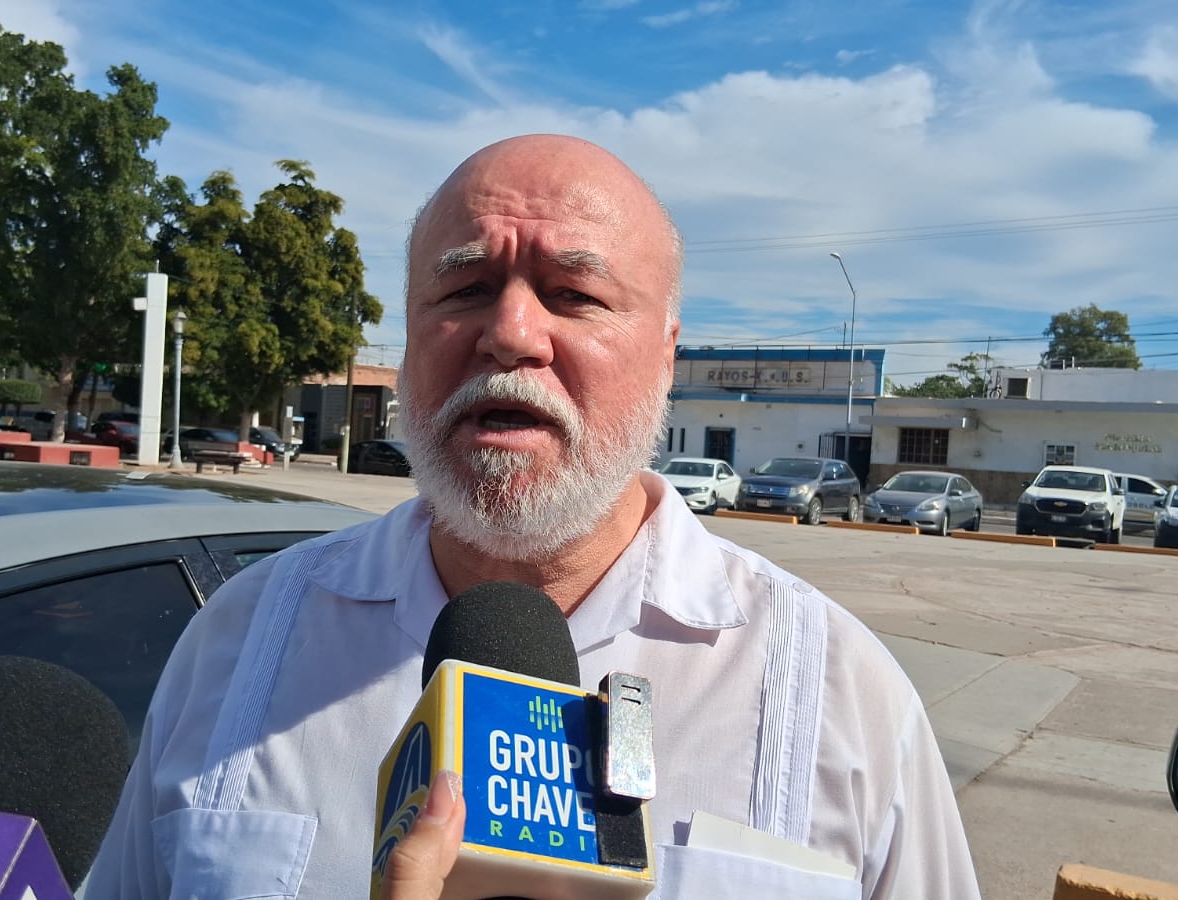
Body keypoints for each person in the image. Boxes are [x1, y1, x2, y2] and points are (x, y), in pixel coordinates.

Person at [87, 134, 981, 899]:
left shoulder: (839, 693)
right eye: (465, 288)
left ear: (666, 355)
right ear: (411, 336)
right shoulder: (240, 641)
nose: (511, 334)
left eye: (574, 294)